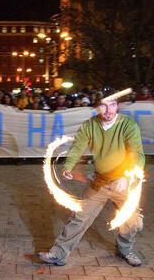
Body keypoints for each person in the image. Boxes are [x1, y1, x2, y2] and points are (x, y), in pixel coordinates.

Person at [38, 90, 145, 267]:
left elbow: (137, 154)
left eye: (112, 105)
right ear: (96, 107)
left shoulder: (128, 125)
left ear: (117, 106)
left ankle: (125, 250)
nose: (108, 110)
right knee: (80, 217)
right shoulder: (89, 125)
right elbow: (78, 146)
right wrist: (68, 165)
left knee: (132, 221)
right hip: (100, 182)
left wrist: (127, 176)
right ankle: (58, 254)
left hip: (125, 183)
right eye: (104, 105)